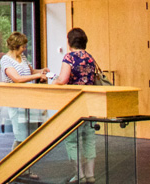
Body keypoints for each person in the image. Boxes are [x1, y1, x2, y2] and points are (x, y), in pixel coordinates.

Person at [53, 28, 98, 184]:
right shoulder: (90, 58)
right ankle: (90, 174)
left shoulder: (69, 57)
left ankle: (79, 174)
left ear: (69, 42)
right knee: (89, 139)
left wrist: (55, 81)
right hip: (89, 104)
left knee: (72, 140)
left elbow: (63, 79)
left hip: (74, 104)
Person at [1, 32, 49, 150]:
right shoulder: (6, 60)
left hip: (28, 99)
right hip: (15, 100)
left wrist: (42, 71)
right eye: (23, 46)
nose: (24, 48)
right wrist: (37, 77)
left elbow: (31, 72)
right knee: (20, 135)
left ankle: (24, 164)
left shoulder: (22, 57)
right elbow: (16, 78)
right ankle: (15, 163)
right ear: (15, 46)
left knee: (28, 134)